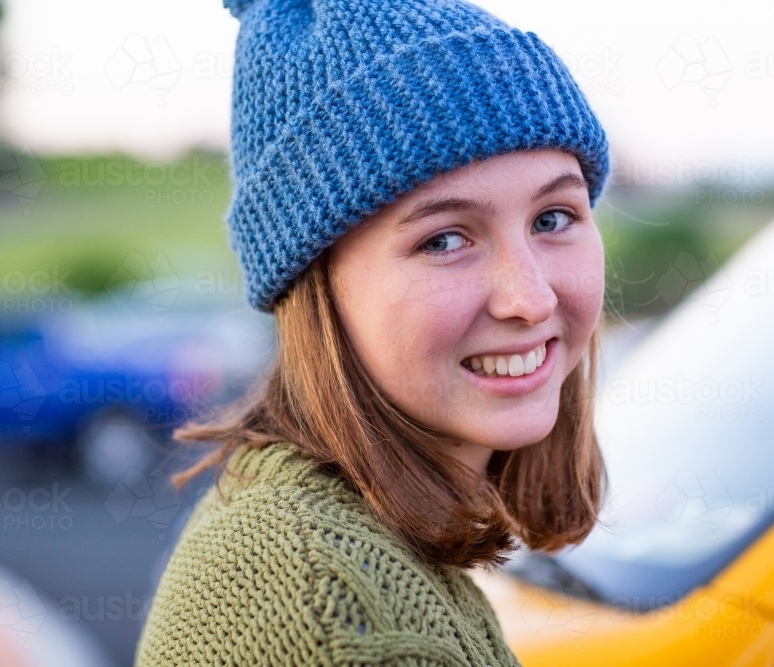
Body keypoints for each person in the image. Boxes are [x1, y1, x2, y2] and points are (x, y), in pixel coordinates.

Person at [136, 0, 610, 664]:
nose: (530, 300)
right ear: (316, 286)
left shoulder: (327, 530)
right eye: (444, 239)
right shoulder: (334, 609)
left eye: (553, 218)